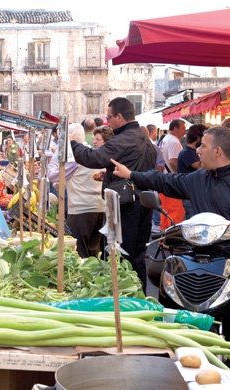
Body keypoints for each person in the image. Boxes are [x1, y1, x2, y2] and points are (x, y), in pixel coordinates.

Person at [110, 126, 230, 390]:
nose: (197, 150)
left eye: (202, 146)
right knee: (180, 324)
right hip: (201, 268)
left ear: (218, 151)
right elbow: (165, 182)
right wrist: (130, 174)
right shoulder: (198, 178)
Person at [70, 97, 156, 291]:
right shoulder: (145, 139)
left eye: (109, 117)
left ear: (119, 116)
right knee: (137, 256)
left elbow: (93, 157)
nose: (107, 122)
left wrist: (72, 143)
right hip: (143, 204)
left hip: (126, 207)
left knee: (120, 255)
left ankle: (122, 302)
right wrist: (110, 176)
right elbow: (135, 170)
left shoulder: (125, 138)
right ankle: (139, 298)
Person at [49, 123, 104, 258]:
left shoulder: (74, 156)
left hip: (82, 209)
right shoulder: (92, 151)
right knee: (93, 253)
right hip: (99, 208)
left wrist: (56, 155)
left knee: (80, 253)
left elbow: (53, 175)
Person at [159, 119, 186, 229]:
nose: (185, 131)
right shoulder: (175, 141)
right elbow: (173, 161)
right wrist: (181, 174)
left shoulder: (165, 139)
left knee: (165, 213)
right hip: (172, 181)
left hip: (164, 180)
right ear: (175, 129)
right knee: (175, 213)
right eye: (183, 128)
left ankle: (163, 240)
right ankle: (172, 240)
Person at [176, 124, 205, 219]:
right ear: (197, 138)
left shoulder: (191, 152)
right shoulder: (187, 153)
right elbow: (200, 167)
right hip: (189, 195)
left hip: (192, 194)